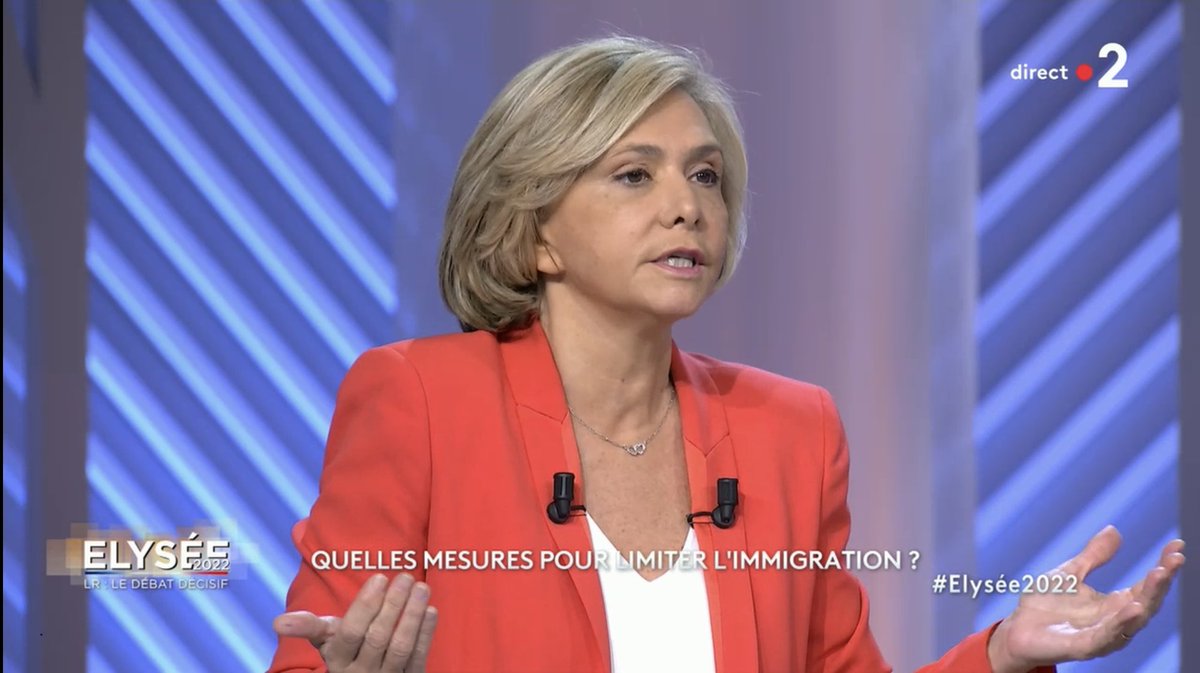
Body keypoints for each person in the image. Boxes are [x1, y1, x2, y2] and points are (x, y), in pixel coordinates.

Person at [268, 35, 1185, 673]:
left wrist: (1003, 653)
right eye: (635, 174)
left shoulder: (790, 428)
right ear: (534, 230)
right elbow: (311, 654)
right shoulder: (420, 400)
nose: (687, 206)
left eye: (705, 174)